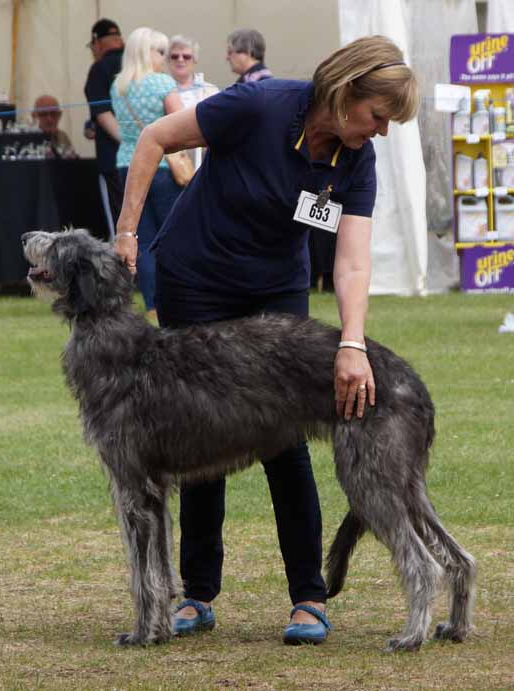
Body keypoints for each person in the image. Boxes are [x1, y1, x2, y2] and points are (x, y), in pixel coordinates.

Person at [114, 35, 419, 645]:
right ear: (348, 90)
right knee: (194, 431)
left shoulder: (356, 158)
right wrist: (126, 232)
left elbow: (353, 261)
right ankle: (197, 594)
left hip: (276, 290)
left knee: (286, 439)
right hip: (196, 278)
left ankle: (308, 596)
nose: (382, 132)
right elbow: (154, 140)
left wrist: (352, 343)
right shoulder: (259, 106)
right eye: (379, 117)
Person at [110, 27, 184, 321]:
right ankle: (173, 298)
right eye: (161, 51)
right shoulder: (163, 83)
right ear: (147, 52)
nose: (164, 58)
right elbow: (179, 122)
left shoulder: (118, 86)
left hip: (127, 164)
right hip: (162, 166)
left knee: (140, 238)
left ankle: (152, 304)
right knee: (171, 235)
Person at [84, 18, 125, 241]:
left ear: (97, 43)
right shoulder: (141, 65)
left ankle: (127, 274)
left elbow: (102, 113)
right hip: (153, 158)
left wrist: (130, 143)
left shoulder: (100, 69)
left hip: (115, 158)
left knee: (121, 224)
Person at [167, 34, 218, 168]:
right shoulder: (160, 90)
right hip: (171, 164)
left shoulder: (210, 90)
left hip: (202, 163)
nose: (180, 59)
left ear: (195, 59)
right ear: (168, 59)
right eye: (174, 56)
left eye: (186, 56)